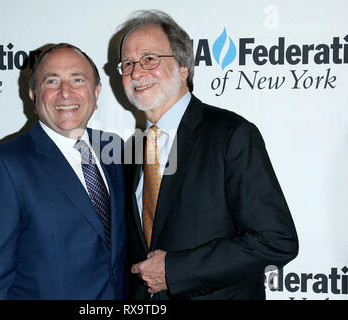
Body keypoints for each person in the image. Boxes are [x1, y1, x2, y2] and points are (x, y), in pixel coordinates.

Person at [118, 10, 299, 300]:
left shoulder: (231, 134)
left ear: (183, 67)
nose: (136, 73)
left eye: (149, 59)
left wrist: (175, 270)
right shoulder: (130, 152)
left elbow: (276, 241)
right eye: (127, 63)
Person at [0, 43, 126, 299]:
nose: (65, 93)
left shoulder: (114, 149)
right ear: (33, 93)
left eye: (77, 80)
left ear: (96, 92)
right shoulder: (2, 166)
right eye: (52, 81)